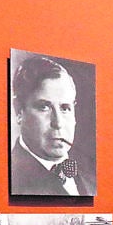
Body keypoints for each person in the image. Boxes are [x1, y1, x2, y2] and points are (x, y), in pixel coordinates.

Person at [10, 55, 96, 196]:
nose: (58, 123)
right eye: (44, 107)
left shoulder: (92, 175)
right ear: (19, 110)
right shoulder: (13, 178)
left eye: (65, 108)